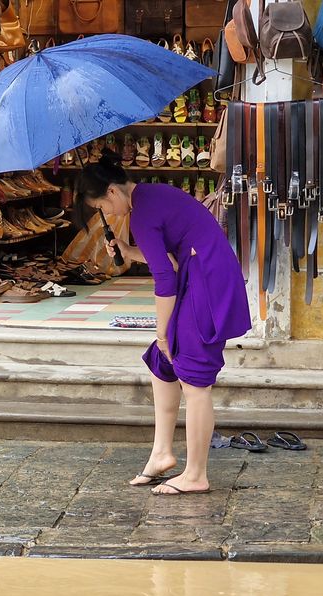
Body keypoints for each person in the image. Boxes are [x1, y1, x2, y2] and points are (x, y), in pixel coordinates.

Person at [75, 152, 251, 496]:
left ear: (112, 192)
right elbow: (167, 257)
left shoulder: (141, 213)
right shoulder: (151, 197)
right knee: (162, 364)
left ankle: (196, 474)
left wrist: (162, 333)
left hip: (206, 282)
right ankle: (161, 453)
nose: (107, 214)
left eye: (103, 207)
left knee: (193, 375)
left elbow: (164, 278)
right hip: (201, 274)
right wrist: (127, 249)